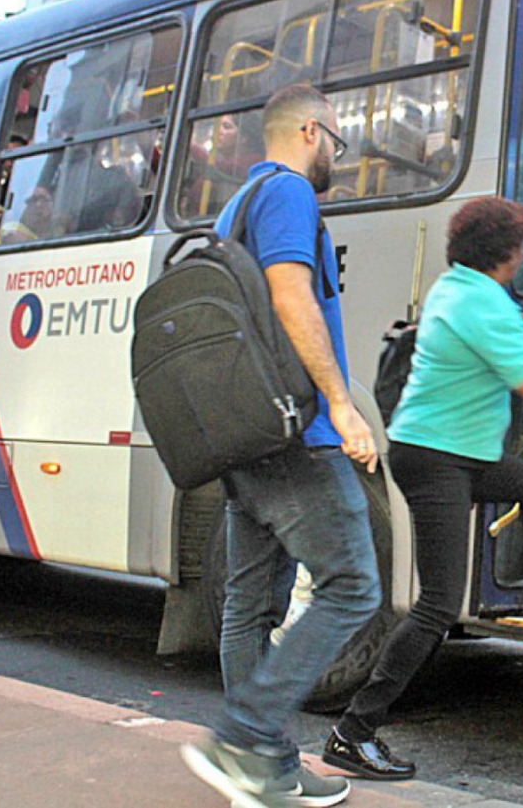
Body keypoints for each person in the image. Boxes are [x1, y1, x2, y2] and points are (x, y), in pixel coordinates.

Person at [321, 196, 523, 782]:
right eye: (522, 247)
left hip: (455, 455)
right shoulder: (486, 305)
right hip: (438, 462)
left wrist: (521, 325)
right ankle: (353, 732)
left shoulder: (457, 288)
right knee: (437, 606)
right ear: (505, 254)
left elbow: (477, 334)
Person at [181, 84, 381, 808]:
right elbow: (292, 296)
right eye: (336, 139)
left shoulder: (237, 204)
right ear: (308, 130)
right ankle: (241, 737)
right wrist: (339, 403)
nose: (337, 155)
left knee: (250, 603)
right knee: (354, 585)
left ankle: (265, 766)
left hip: (248, 433)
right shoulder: (291, 192)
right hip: (296, 433)